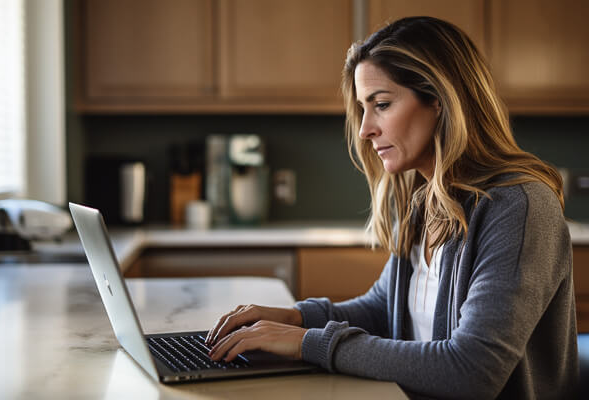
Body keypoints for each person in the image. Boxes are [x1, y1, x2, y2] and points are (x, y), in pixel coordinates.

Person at [205, 16, 579, 399]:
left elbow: (473, 370)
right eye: (364, 108)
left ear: (439, 100)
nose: (366, 129)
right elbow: (385, 309)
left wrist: (308, 343)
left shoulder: (520, 207)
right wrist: (295, 318)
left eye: (381, 104)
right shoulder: (426, 200)